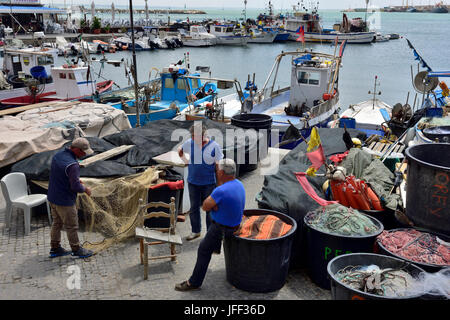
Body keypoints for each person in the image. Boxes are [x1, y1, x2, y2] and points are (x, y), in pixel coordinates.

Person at [175, 158, 245, 291]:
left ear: (221, 173)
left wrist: (214, 206)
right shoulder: (239, 184)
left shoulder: (220, 191)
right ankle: (215, 247)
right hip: (236, 224)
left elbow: (205, 207)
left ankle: (193, 282)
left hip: (222, 228)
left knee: (203, 249)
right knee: (213, 230)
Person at [47, 138, 94, 259]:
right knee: (71, 226)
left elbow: (61, 175)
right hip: (65, 201)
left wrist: (75, 179)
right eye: (83, 152)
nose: (84, 155)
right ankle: (76, 249)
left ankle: (55, 248)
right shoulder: (73, 165)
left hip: (52, 197)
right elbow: (75, 187)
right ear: (76, 150)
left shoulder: (57, 155)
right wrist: (85, 189)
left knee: (56, 223)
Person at [178, 123, 223, 241]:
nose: (193, 139)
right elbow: (180, 150)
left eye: (196, 136)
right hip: (193, 182)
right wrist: (185, 161)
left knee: (209, 209)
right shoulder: (189, 143)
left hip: (208, 183)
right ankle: (195, 231)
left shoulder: (215, 146)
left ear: (204, 135)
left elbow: (218, 166)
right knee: (194, 208)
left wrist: (219, 185)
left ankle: (210, 233)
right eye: (192, 136)